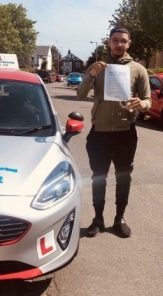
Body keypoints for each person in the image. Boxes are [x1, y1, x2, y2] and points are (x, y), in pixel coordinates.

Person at [77, 26, 151, 238]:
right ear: (108, 42)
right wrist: (91, 74)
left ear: (129, 44)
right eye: (115, 40)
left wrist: (141, 103)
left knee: (123, 177)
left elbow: (148, 100)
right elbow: (81, 95)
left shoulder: (138, 69)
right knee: (98, 177)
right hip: (99, 133)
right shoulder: (97, 67)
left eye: (123, 41)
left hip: (124, 132)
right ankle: (98, 218)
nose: (119, 44)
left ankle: (119, 218)